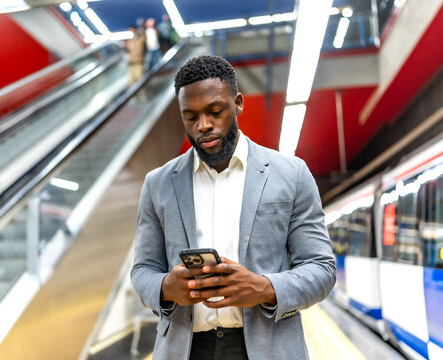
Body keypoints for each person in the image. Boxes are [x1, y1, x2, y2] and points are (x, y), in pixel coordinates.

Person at [131, 55, 336, 360]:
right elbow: (142, 270)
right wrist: (165, 288)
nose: (204, 126)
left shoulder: (291, 174)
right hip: (185, 350)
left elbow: (322, 269)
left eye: (216, 111)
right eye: (191, 116)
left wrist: (264, 287)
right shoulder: (157, 184)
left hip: (269, 349)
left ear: (238, 103)